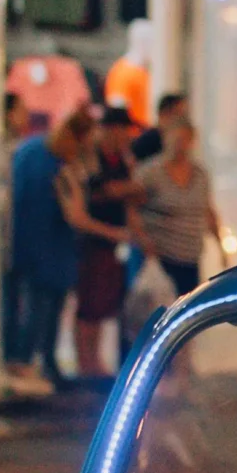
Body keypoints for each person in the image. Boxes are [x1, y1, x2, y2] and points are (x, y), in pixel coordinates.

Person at [7, 109, 89, 391]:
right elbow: (73, 213)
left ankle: (39, 363)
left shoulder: (34, 152)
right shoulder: (52, 163)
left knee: (43, 307)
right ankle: (29, 364)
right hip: (45, 246)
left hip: (41, 246)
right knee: (40, 308)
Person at [59, 104, 142, 378]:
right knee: (89, 306)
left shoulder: (122, 160)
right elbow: (92, 197)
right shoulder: (91, 160)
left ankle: (94, 361)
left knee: (104, 304)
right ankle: (86, 363)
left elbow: (127, 197)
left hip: (113, 243)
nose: (124, 136)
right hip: (93, 242)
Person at [129, 109, 222, 297]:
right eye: (176, 139)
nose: (181, 145)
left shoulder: (200, 175)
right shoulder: (150, 173)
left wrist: (220, 246)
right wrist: (143, 240)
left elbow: (207, 209)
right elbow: (132, 207)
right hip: (160, 254)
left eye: (186, 140)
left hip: (190, 256)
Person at [132, 92, 185, 165]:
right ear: (165, 113)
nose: (182, 120)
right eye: (179, 114)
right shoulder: (147, 141)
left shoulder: (178, 142)